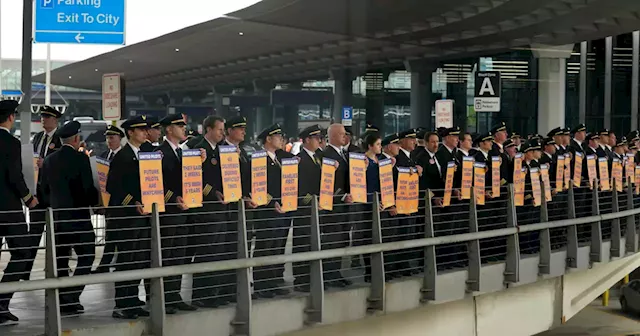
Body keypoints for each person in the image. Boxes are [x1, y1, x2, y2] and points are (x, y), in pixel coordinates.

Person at [40, 121, 99, 315]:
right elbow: (87, 189)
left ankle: (64, 299)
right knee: (87, 255)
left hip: (57, 219)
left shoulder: (49, 160)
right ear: (76, 139)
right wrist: (96, 202)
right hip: (79, 218)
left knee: (61, 260)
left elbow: (43, 191)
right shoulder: (81, 159)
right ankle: (72, 296)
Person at [106, 115, 153, 319]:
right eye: (140, 130)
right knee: (126, 259)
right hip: (127, 217)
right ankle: (121, 303)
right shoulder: (123, 156)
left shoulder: (142, 154)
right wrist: (133, 202)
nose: (145, 132)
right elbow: (113, 187)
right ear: (131, 133)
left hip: (142, 216)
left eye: (145, 129)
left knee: (139, 259)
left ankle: (132, 300)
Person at [0, 100, 39, 325]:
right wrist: (28, 199)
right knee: (23, 253)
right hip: (8, 211)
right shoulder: (11, 143)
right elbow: (14, 176)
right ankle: (2, 303)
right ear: (11, 118)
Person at [156, 114, 199, 312]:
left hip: (184, 212)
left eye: (184, 125)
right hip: (169, 212)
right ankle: (164, 297)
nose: (184, 128)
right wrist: (173, 198)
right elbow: (157, 183)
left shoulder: (183, 152)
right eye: (179, 126)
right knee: (166, 255)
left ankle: (175, 294)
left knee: (179, 255)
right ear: (169, 130)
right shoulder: (161, 153)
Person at [189, 116, 230, 307]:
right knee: (206, 250)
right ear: (208, 129)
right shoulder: (197, 147)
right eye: (220, 129)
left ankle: (214, 291)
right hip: (206, 207)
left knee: (218, 251)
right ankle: (201, 294)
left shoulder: (222, 150)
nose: (223, 133)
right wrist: (213, 193)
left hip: (221, 208)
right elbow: (194, 177)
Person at [252, 124, 295, 298]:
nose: (281, 139)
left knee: (276, 247)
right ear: (268, 139)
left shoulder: (277, 159)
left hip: (280, 210)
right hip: (267, 211)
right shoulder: (260, 158)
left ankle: (271, 282)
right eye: (277, 136)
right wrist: (272, 203)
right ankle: (262, 284)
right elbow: (258, 186)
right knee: (265, 247)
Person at [24, 105, 63, 280]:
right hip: (37, 192)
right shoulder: (38, 137)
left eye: (47, 117)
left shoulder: (61, 139)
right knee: (34, 233)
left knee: (56, 236)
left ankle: (57, 270)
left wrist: (45, 163)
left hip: (53, 194)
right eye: (42, 117)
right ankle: (25, 271)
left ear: (55, 120)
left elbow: (62, 164)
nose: (43, 119)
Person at [321, 123, 354, 287]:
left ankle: (337, 272)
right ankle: (329, 274)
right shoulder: (327, 154)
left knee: (342, 239)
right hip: (333, 207)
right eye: (341, 134)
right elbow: (327, 183)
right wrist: (341, 197)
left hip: (345, 207)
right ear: (332, 136)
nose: (345, 136)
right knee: (332, 240)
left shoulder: (344, 154)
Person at [293, 125, 324, 292]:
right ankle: (301, 279)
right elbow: (299, 188)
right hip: (305, 208)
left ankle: (311, 277)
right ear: (306, 141)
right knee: (302, 242)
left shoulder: (318, 157)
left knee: (314, 243)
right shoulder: (300, 159)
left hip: (318, 207)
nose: (319, 140)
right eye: (315, 138)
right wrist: (311, 201)